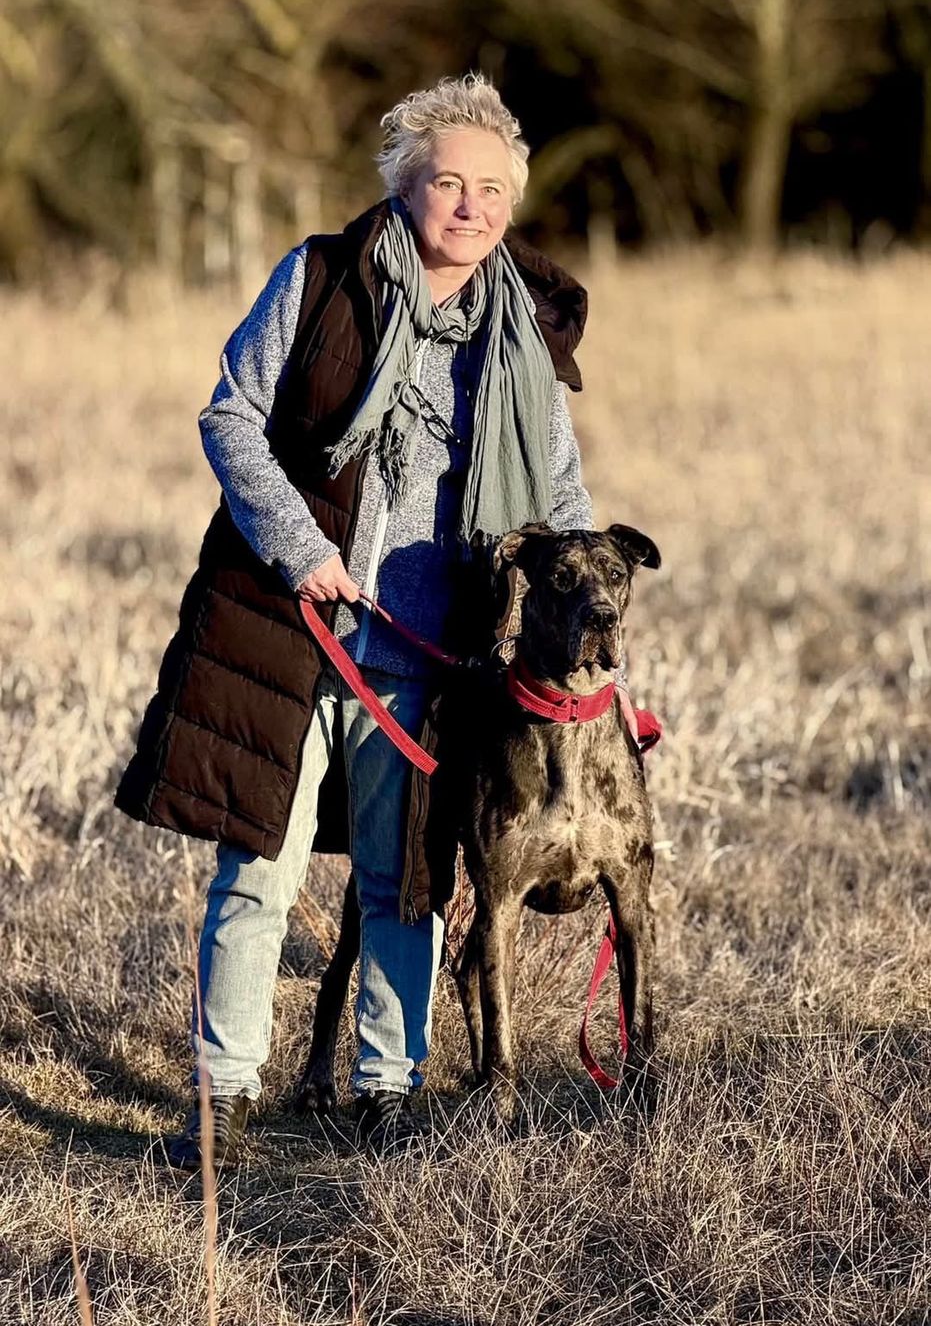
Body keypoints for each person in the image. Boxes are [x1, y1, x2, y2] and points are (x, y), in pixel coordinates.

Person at [115, 72, 638, 1165]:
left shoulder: (522, 335)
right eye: (446, 182)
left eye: (491, 189)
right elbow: (230, 417)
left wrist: (589, 653)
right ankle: (224, 1101)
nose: (470, 206)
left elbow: (558, 504)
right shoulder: (321, 283)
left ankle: (386, 1091)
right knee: (261, 865)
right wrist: (302, 551)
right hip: (293, 634)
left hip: (436, 658)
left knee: (408, 878)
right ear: (403, 188)